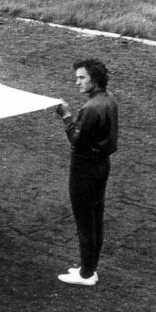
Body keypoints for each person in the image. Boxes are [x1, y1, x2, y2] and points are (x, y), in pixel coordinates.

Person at [54, 58, 118, 286]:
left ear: (94, 78)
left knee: (85, 221)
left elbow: (77, 141)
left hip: (84, 170)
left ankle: (86, 274)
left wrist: (66, 116)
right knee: (95, 218)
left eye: (81, 78)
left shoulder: (91, 108)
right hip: (101, 166)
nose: (76, 82)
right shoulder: (108, 99)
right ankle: (89, 267)